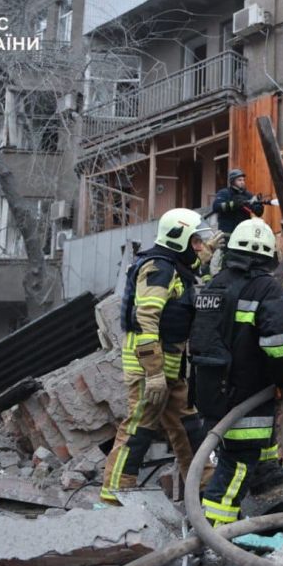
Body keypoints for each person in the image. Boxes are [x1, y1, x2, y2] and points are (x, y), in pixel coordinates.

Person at [100, 208, 217, 503]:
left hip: (171, 369)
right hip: (150, 368)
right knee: (140, 427)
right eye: (195, 241)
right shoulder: (159, 269)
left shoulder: (174, 265)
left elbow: (189, 270)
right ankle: (113, 498)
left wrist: (208, 252)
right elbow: (146, 322)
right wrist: (153, 373)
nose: (199, 247)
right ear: (178, 239)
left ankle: (205, 489)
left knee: (188, 428)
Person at [189, 218, 283, 527]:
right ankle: (213, 532)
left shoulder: (214, 285)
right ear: (268, 255)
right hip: (244, 393)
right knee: (236, 463)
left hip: (210, 391)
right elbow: (280, 346)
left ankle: (266, 473)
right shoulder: (266, 288)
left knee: (247, 447)